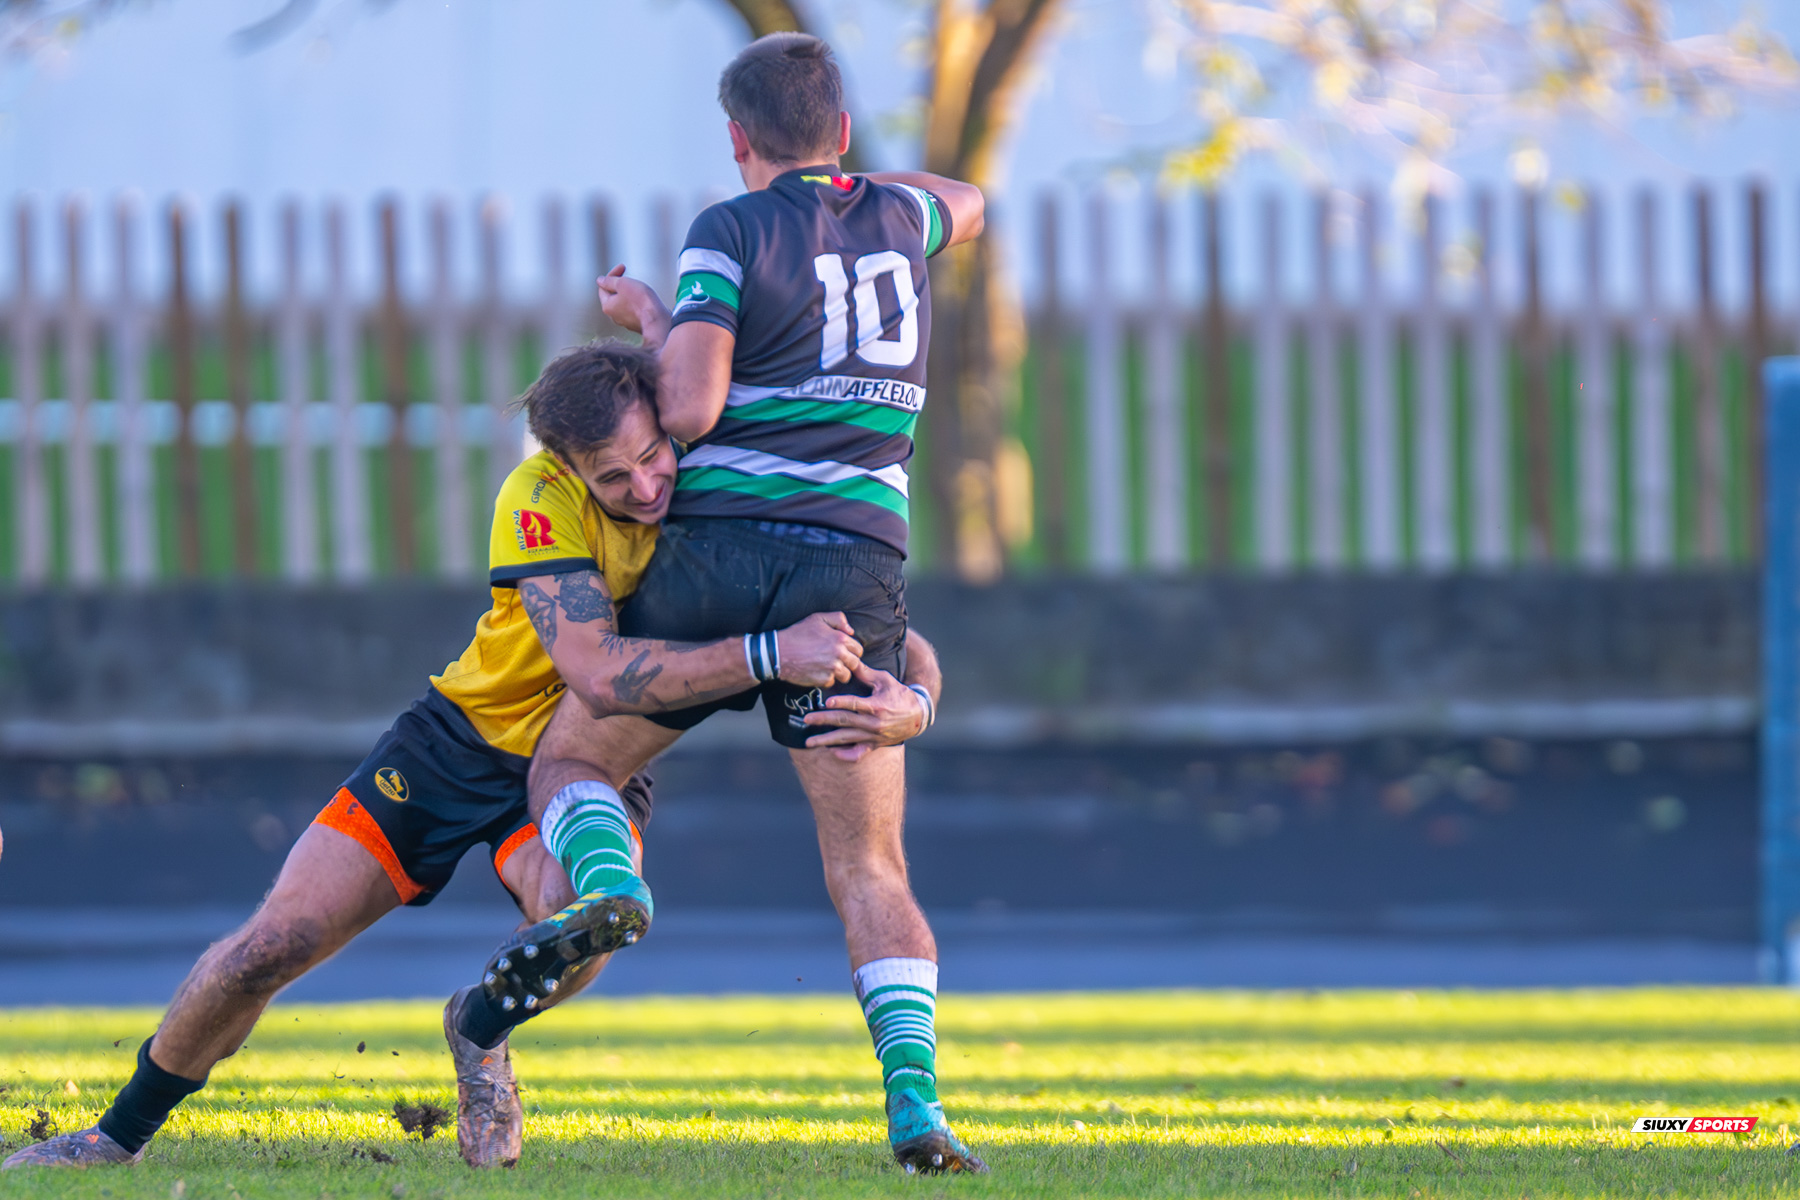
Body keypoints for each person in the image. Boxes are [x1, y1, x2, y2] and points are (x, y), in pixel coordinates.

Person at [2, 341, 941, 1173]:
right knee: (272, 946)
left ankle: (479, 1027)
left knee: (587, 922)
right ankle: (116, 1135)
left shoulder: (716, 484)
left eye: (654, 456)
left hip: (590, 769)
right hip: (458, 744)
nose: (648, 488)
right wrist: (769, 654)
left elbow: (874, 618)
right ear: (565, 466)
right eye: (613, 477)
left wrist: (918, 700)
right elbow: (592, 670)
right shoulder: (536, 498)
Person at [470, 32, 988, 1175]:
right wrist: (852, 194)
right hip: (856, 566)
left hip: (724, 553)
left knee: (572, 763)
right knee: (870, 866)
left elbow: (693, 410)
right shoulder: (902, 219)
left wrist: (662, 323)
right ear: (841, 133)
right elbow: (970, 201)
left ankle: (612, 887)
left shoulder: (732, 226)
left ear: (738, 140)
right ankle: (915, 1104)